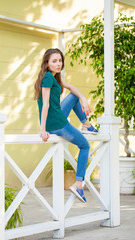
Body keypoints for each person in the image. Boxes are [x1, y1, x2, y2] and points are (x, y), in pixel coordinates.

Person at [34, 48, 98, 203]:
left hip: (56, 117)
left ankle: (86, 124)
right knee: (84, 146)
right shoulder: (48, 77)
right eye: (54, 61)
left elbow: (71, 88)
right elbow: (46, 105)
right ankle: (78, 185)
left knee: (75, 97)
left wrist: (83, 97)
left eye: (60, 60)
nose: (58, 64)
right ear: (47, 63)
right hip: (57, 123)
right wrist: (42, 129)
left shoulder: (55, 77)